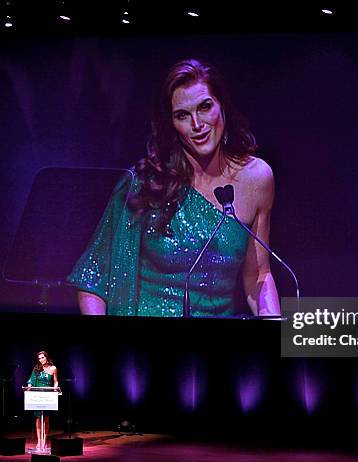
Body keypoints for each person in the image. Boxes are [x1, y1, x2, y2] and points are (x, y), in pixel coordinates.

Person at [67, 59, 281, 317]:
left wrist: (276, 339)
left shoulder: (257, 178)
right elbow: (93, 278)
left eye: (205, 107)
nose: (197, 125)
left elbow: (259, 275)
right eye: (183, 115)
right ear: (171, 123)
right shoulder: (144, 183)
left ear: (221, 106)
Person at [25, 351, 58, 450]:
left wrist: (55, 388)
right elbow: (30, 381)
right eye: (39, 358)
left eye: (42, 357)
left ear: (46, 357)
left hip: (47, 396)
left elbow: (56, 381)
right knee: (38, 419)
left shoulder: (53, 368)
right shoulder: (36, 368)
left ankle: (44, 440)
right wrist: (29, 387)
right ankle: (39, 441)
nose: (41, 360)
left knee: (46, 419)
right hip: (37, 396)